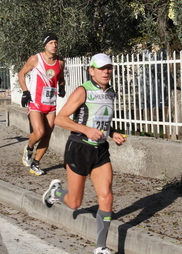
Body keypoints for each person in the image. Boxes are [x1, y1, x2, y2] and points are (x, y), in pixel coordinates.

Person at [42, 53, 127, 254]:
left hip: (100, 151)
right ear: (91, 71)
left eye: (109, 68)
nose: (106, 71)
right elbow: (60, 119)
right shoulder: (83, 91)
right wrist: (85, 130)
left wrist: (113, 133)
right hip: (79, 149)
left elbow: (102, 119)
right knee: (75, 202)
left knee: (106, 197)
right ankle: (55, 192)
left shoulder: (111, 92)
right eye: (102, 68)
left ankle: (101, 247)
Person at [18, 33, 65, 175]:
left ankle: (35, 163)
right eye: (51, 42)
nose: (54, 45)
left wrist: (62, 86)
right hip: (36, 103)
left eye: (56, 42)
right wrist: (25, 92)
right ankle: (29, 148)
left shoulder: (60, 62)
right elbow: (21, 74)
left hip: (50, 103)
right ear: (45, 45)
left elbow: (60, 77)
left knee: (47, 135)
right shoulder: (35, 59)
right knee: (39, 133)